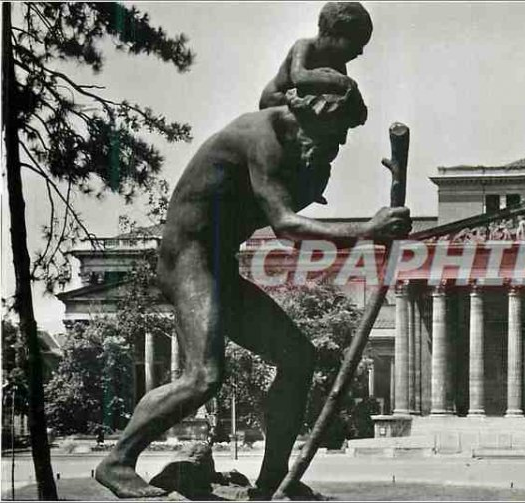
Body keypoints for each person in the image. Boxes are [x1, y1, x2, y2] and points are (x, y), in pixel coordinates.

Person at [94, 85, 411, 499]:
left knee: (298, 356)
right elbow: (287, 226)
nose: (338, 145)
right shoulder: (264, 139)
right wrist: (368, 230)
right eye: (336, 135)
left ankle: (274, 477)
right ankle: (117, 460)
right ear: (315, 118)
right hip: (188, 260)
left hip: (219, 266)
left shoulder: (286, 131)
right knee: (203, 376)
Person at [259, 2, 373, 110]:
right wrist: (342, 81)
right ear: (334, 31)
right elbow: (299, 77)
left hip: (297, 101)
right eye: (356, 43)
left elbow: (341, 94)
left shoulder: (337, 65)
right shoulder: (305, 45)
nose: (360, 51)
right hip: (275, 98)